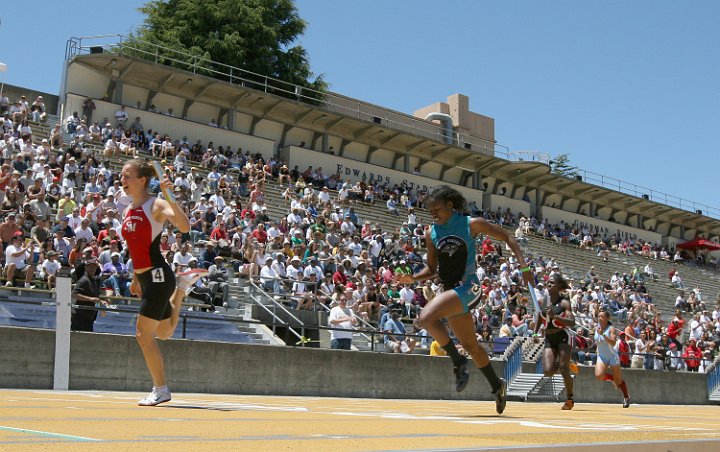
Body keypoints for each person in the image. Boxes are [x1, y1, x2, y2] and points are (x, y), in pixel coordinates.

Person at [395, 185, 531, 415]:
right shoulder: (431, 233)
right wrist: (412, 278)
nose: (434, 214)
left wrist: (524, 266)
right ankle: (497, 386)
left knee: (426, 318)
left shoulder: (471, 224)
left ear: (450, 205)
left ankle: (458, 362)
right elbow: (431, 269)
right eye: (430, 211)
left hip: (469, 287)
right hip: (450, 292)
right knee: (470, 345)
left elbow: (508, 236)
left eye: (437, 209)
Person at [120, 159, 206, 407]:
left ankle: (161, 390)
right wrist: (136, 278)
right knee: (165, 332)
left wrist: (170, 197)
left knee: (143, 336)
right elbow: (134, 248)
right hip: (147, 278)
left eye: (127, 176)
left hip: (158, 275)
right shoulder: (128, 210)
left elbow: (184, 225)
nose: (122, 180)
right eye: (122, 176)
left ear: (142, 180)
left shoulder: (155, 204)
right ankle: (180, 290)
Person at [534, 275, 577, 410]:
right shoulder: (543, 301)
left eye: (551, 282)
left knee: (563, 369)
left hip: (563, 336)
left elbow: (572, 322)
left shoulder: (564, 303)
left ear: (558, 286)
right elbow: (539, 317)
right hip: (549, 337)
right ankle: (566, 363)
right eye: (547, 281)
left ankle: (570, 398)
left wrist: (555, 316)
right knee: (548, 371)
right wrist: (535, 332)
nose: (548, 283)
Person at [594, 310, 631, 408]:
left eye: (602, 317)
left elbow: (613, 343)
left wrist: (603, 335)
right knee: (598, 375)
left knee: (618, 380)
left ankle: (626, 397)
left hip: (612, 356)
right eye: (599, 316)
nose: (599, 318)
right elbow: (597, 341)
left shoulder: (611, 329)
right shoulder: (597, 328)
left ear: (607, 319)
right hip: (602, 356)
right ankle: (612, 379)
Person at [71, 257, 106, 331]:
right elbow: (74, 294)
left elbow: (95, 298)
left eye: (94, 266)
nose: (92, 268)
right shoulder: (84, 280)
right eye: (90, 266)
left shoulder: (93, 281)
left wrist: (100, 302)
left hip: (88, 319)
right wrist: (90, 299)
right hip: (80, 318)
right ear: (86, 267)